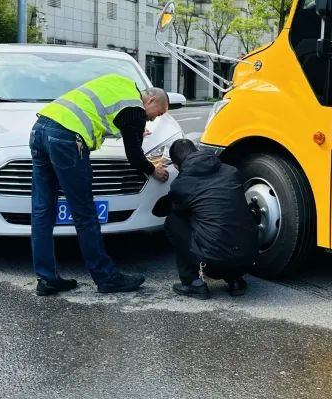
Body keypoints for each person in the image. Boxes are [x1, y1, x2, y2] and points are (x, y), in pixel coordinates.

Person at [29, 74, 170, 296]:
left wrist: (132, 130)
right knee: (84, 213)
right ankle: (106, 278)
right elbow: (134, 157)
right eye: (158, 114)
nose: (152, 120)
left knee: (42, 210)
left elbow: (97, 113)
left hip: (40, 128)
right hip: (66, 139)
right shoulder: (136, 109)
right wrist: (154, 169)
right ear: (150, 100)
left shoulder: (120, 83)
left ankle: (46, 279)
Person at [164, 139, 258, 300]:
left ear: (176, 166)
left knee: (173, 222)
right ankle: (235, 280)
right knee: (228, 214)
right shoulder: (231, 171)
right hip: (248, 258)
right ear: (197, 151)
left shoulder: (181, 184)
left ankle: (193, 283)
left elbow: (180, 212)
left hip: (213, 264)